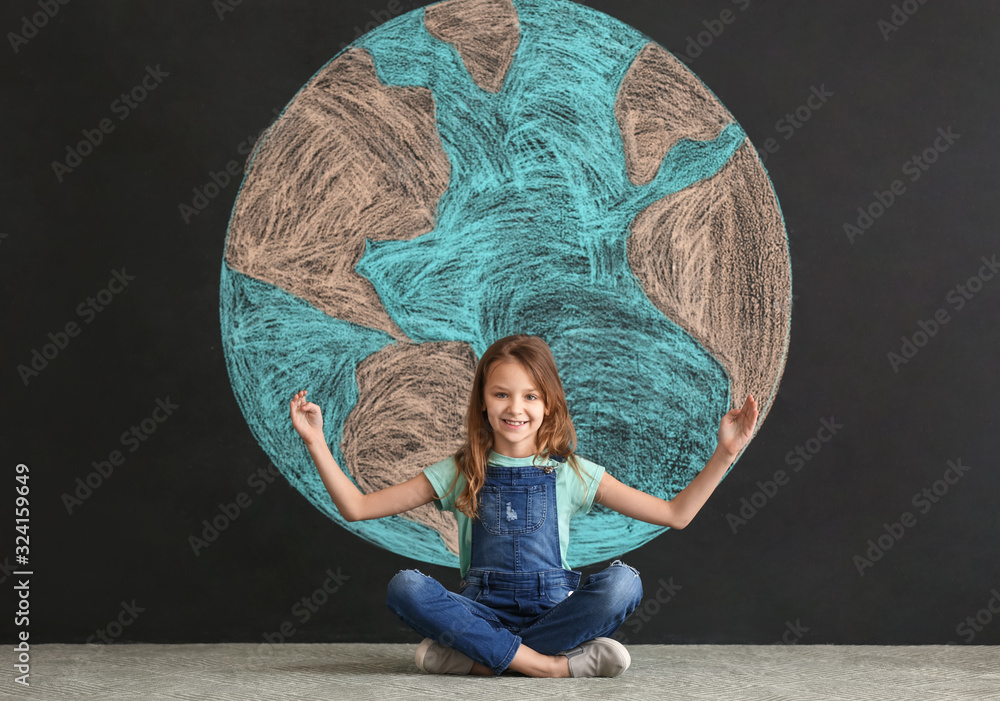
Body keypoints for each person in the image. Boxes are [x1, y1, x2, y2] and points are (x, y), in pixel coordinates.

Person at [290, 334, 758, 678]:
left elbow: (675, 515)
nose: (516, 408)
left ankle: (480, 660)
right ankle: (553, 667)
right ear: (483, 402)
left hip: (554, 612)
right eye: (501, 394)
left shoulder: (575, 473)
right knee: (405, 587)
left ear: (549, 404)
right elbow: (355, 507)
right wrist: (316, 442)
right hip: (480, 613)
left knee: (625, 583)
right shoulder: (458, 471)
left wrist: (727, 453)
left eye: (531, 396)